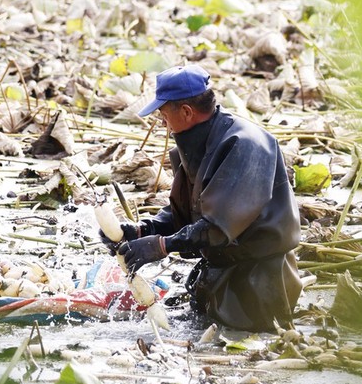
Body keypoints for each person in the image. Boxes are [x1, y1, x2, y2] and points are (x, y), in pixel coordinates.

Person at [103, 63, 303, 331]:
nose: (161, 122)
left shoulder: (244, 144)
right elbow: (190, 212)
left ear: (186, 112)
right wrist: (142, 230)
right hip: (222, 274)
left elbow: (217, 228)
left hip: (259, 284)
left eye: (163, 114)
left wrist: (161, 246)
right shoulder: (200, 140)